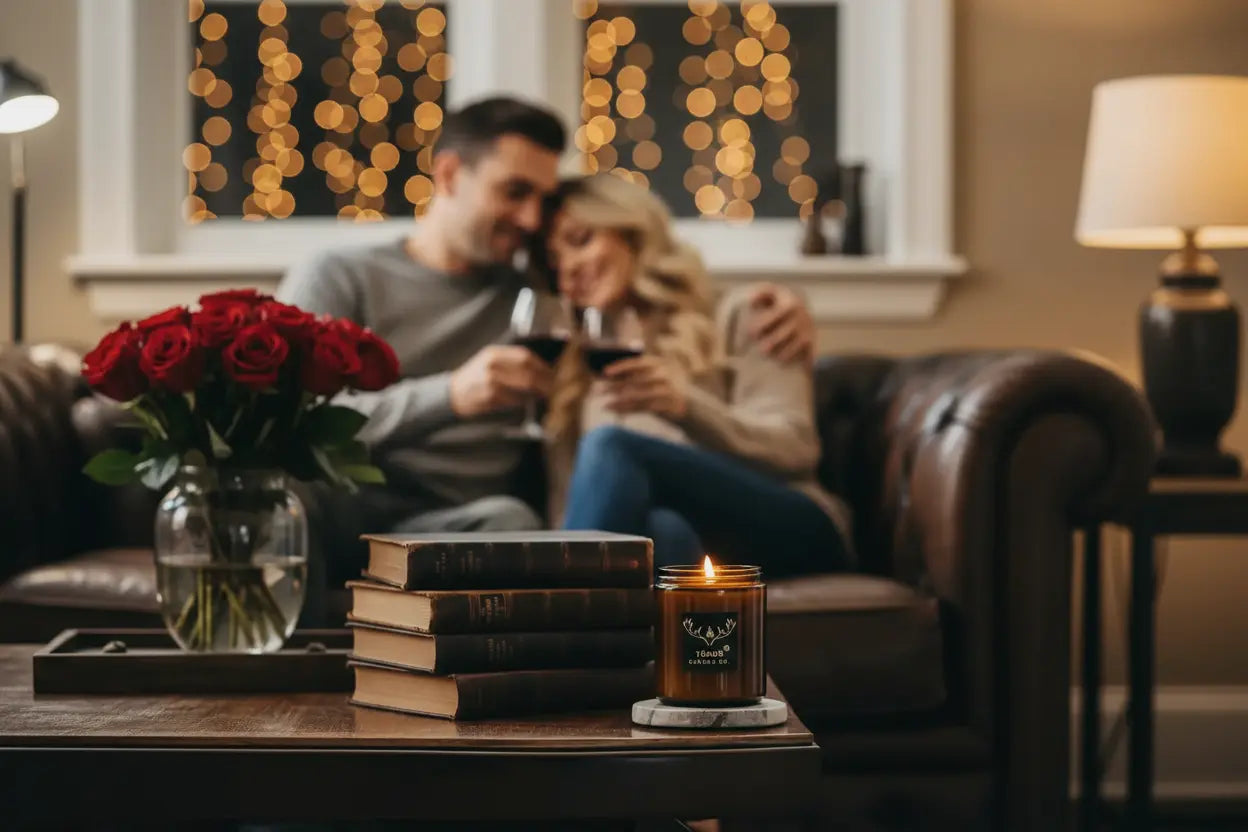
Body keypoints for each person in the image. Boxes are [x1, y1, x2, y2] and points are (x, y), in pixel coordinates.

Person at [277, 96, 818, 587]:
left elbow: (782, 432)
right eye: (515, 192)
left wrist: (789, 303)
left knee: (559, 512)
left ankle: (569, 635)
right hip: (346, 510)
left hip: (468, 525)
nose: (531, 218)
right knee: (664, 534)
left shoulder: (544, 305)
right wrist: (452, 395)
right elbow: (288, 425)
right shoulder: (343, 276)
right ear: (449, 175)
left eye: (544, 201)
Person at [542, 174, 852, 575]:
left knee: (611, 446)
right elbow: (569, 512)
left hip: (792, 523)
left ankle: (556, 612)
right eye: (554, 262)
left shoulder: (747, 313)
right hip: (696, 546)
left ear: (634, 233)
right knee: (665, 532)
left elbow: (795, 448)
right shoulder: (574, 369)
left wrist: (687, 407)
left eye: (581, 241)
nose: (568, 270)